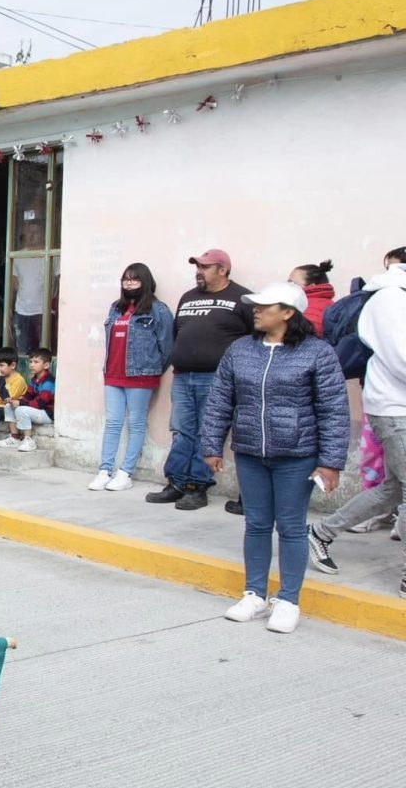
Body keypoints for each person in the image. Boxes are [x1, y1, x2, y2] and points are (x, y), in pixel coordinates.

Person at [201, 281, 349, 633]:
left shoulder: (317, 353)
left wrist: (330, 462)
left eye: (265, 306)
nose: (256, 310)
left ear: (288, 312)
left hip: (296, 456)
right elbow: (220, 399)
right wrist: (211, 445)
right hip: (251, 452)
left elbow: (333, 410)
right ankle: (254, 594)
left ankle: (288, 600)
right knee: (256, 524)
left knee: (292, 527)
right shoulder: (240, 350)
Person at [306, 260, 406, 598]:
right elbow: (401, 356)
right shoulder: (390, 297)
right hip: (394, 409)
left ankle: (321, 532)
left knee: (391, 490)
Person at [147, 248, 254, 511]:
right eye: (197, 267)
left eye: (204, 267)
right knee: (182, 431)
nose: (198, 272)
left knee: (208, 433)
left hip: (218, 379)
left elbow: (256, 339)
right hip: (183, 377)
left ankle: (197, 487)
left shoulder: (242, 298)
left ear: (223, 269)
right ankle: (177, 483)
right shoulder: (188, 297)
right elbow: (176, 333)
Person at [90, 263, 173, 490]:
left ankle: (125, 473)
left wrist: (150, 369)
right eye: (126, 279)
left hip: (141, 376)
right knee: (113, 422)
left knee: (136, 423)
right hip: (113, 374)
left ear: (145, 282)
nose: (129, 283)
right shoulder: (115, 308)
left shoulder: (159, 310)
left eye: (134, 280)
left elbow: (167, 348)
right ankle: (105, 470)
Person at [11, 218, 50, 351]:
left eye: (36, 232)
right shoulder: (18, 256)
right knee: (22, 348)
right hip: (22, 310)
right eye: (29, 232)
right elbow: (15, 282)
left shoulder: (50, 255)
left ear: (43, 235)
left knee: (43, 349)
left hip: (43, 310)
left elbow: (56, 282)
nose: (32, 235)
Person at [10, 348, 56, 450]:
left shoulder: (49, 382)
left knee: (21, 410)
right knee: (9, 406)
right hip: (37, 411)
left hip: (47, 414)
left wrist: (20, 403)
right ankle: (15, 438)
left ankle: (29, 440)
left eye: (36, 362)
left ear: (46, 365)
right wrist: (15, 401)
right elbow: (28, 396)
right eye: (30, 361)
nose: (32, 364)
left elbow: (40, 403)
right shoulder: (34, 379)